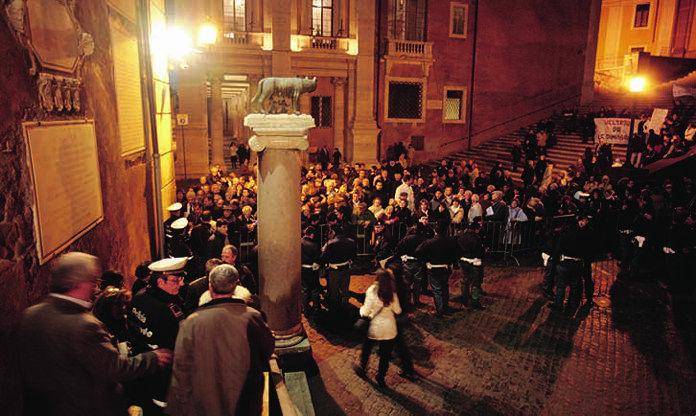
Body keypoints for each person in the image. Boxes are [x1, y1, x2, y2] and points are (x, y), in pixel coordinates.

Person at [18, 252, 172, 416]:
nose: (96, 287)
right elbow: (114, 369)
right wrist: (153, 358)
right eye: (93, 281)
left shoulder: (31, 315)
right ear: (81, 283)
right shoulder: (84, 326)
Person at [167, 264, 275, 416]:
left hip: (206, 400)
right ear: (235, 286)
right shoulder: (252, 316)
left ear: (210, 286)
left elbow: (181, 367)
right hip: (244, 398)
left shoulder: (191, 322)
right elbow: (268, 347)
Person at [128, 257, 188, 414]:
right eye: (175, 280)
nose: (181, 284)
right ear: (161, 282)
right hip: (165, 375)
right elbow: (179, 344)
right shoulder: (166, 310)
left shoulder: (139, 297)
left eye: (181, 279)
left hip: (142, 367)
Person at [354, 268, 402, 388]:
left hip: (375, 327)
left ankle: (363, 368)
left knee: (367, 348)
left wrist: (361, 311)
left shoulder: (372, 290)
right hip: (390, 328)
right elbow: (398, 310)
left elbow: (365, 311)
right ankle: (380, 377)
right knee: (385, 355)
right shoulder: (392, 292)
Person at [415, 221, 460, 317]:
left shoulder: (430, 242)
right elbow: (456, 253)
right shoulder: (451, 241)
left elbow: (418, 251)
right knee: (444, 287)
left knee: (437, 289)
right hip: (446, 267)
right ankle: (445, 307)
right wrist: (452, 262)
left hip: (434, 268)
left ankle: (440, 310)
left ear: (435, 230)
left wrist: (426, 260)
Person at [320, 224, 356, 317]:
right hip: (346, 268)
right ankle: (345, 307)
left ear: (333, 232)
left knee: (334, 290)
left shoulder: (330, 243)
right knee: (345, 289)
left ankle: (335, 310)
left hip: (334, 270)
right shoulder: (351, 242)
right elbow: (354, 256)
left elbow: (324, 258)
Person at [456, 220, 486, 310]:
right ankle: (475, 302)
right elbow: (480, 252)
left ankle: (465, 301)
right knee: (475, 284)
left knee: (465, 282)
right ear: (476, 229)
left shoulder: (461, 236)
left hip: (463, 261)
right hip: (474, 262)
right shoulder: (477, 238)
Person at [301, 226, 323, 314]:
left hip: (302, 268)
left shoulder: (299, 242)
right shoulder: (314, 245)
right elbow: (318, 258)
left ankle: (305, 308)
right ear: (312, 235)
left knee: (304, 289)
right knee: (314, 289)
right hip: (312, 269)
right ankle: (316, 307)